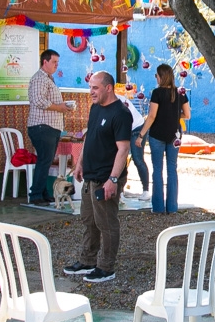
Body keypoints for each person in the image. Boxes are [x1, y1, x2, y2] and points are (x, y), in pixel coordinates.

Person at [63, 72, 132, 283]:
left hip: (106, 178)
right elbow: (89, 138)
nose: (91, 92)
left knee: (107, 223)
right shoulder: (95, 108)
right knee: (89, 220)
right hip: (90, 176)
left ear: (108, 88)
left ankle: (106, 267)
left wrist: (112, 180)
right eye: (90, 87)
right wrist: (80, 163)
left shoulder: (120, 114)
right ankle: (88, 260)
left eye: (95, 88)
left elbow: (123, 150)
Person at [137, 64, 190, 214]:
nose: (156, 78)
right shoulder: (180, 92)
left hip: (157, 135)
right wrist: (174, 115)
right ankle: (172, 207)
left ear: (161, 76)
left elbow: (152, 116)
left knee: (157, 170)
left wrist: (141, 135)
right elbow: (187, 115)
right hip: (175, 136)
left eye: (156, 75)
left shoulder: (157, 93)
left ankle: (158, 208)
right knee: (172, 169)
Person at [27, 49, 74, 205]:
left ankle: (43, 192)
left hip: (51, 126)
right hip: (42, 126)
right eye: (54, 62)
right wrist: (59, 107)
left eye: (57, 63)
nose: (56, 65)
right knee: (44, 160)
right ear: (45, 62)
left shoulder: (49, 78)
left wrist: (63, 107)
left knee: (46, 161)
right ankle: (35, 195)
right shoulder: (40, 78)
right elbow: (38, 100)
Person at [119, 93, 151, 201]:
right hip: (124, 130)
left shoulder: (119, 101)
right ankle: (120, 190)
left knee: (137, 158)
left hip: (137, 127)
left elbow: (124, 120)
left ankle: (146, 191)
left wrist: (140, 136)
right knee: (121, 159)